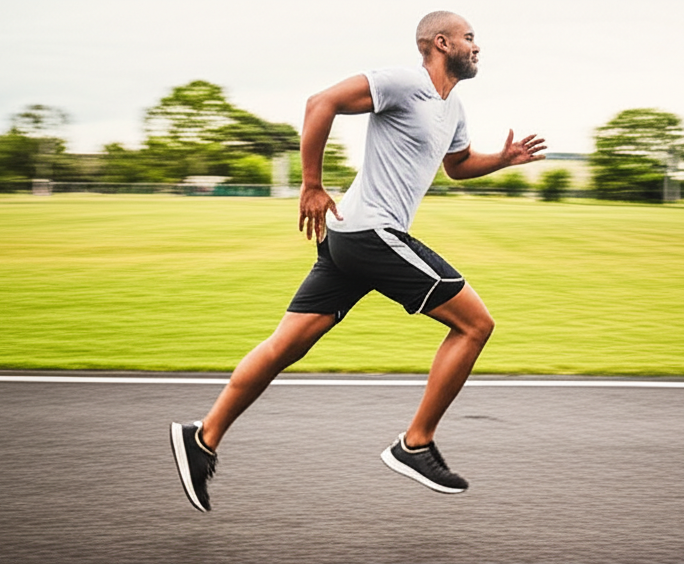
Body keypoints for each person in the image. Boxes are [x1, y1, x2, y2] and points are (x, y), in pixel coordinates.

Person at [170, 10, 546, 513]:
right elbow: (320, 102)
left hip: (351, 238)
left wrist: (501, 160)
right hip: (370, 232)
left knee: (286, 345)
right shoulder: (403, 82)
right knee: (475, 325)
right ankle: (415, 444)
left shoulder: (452, 107)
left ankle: (204, 436)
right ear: (441, 42)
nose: (478, 47)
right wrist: (310, 183)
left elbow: (457, 166)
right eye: (470, 39)